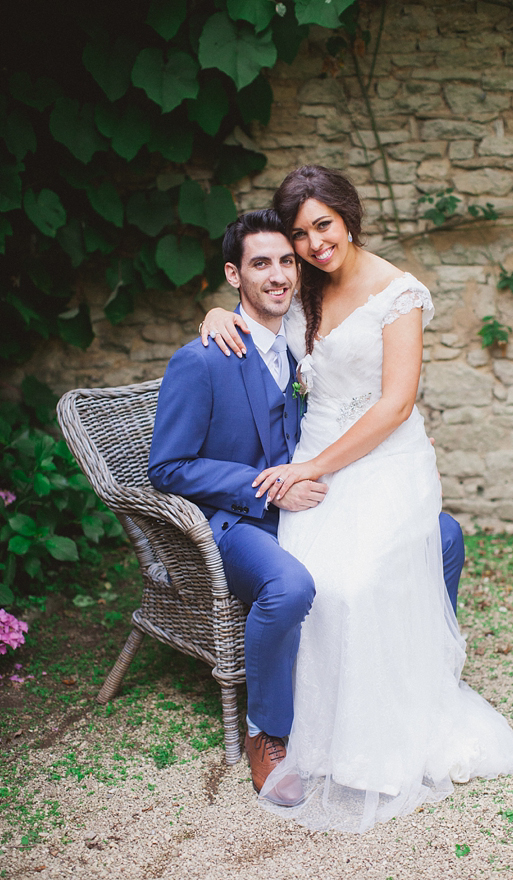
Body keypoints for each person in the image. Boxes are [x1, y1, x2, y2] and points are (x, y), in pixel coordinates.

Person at [200, 166, 513, 833]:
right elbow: (257, 310)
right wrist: (216, 310)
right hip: (315, 457)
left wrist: (316, 466)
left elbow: (396, 401)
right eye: (301, 233)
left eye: (323, 224)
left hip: (384, 461)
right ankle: (306, 732)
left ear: (347, 216)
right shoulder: (304, 288)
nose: (315, 243)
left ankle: (375, 734)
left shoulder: (398, 292)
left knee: (353, 584)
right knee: (311, 578)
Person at [148, 209, 328, 807]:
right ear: (234, 273)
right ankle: (267, 732)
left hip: (313, 501)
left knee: (442, 534)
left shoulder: (309, 339)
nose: (277, 275)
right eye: (260, 264)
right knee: (290, 587)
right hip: (238, 520)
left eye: (285, 261)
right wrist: (266, 484)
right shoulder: (201, 358)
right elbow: (167, 467)